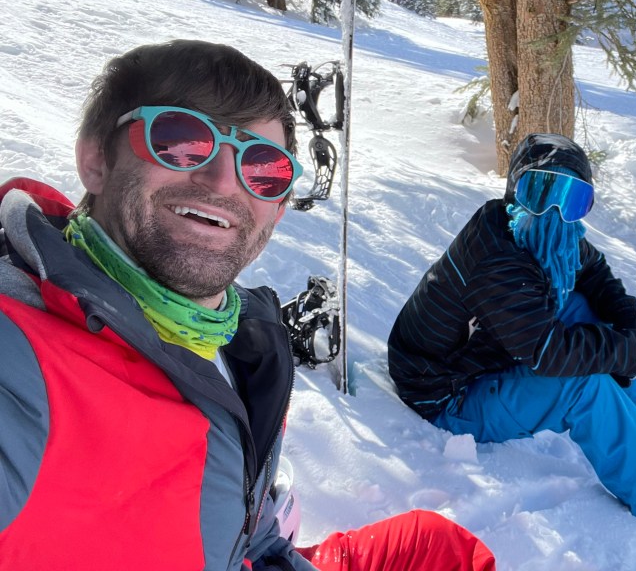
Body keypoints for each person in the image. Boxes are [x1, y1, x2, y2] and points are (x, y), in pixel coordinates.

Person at [0, 40, 495, 571]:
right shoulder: (22, 366)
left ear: (277, 209)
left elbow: (246, 536)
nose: (222, 181)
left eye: (263, 168)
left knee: (442, 548)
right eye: (181, 141)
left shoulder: (237, 345)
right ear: (96, 159)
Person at [388, 133, 636, 552]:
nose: (556, 210)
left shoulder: (529, 228)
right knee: (580, 385)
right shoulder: (496, 260)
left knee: (584, 305)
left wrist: (632, 333)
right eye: (541, 191)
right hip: (447, 394)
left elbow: (594, 271)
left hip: (481, 353)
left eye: (573, 199)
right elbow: (553, 355)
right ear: (515, 191)